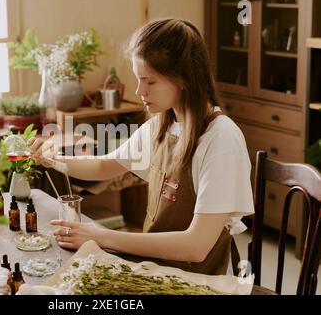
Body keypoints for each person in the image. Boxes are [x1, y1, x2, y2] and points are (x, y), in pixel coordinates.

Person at [28, 18, 254, 275]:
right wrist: (52, 159)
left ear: (183, 78)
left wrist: (102, 236)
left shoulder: (221, 139)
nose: (139, 90)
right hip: (153, 270)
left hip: (195, 283)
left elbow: (196, 247)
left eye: (150, 81)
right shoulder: (162, 126)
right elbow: (104, 166)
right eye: (138, 79)